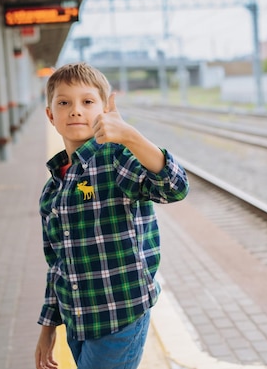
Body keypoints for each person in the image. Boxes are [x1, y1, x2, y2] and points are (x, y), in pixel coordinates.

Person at [34, 62, 190, 369]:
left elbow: (175, 187)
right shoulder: (51, 190)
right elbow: (57, 266)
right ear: (51, 115)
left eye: (87, 102)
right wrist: (48, 328)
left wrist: (130, 136)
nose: (75, 110)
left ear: (105, 110)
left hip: (121, 314)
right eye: (64, 103)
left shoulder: (117, 159)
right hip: (77, 321)